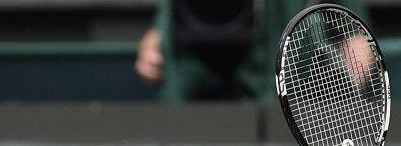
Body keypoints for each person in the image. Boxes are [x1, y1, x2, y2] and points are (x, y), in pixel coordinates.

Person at [135, 0, 370, 100]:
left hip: (286, 96)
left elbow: (356, 38)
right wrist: (154, 42)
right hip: (196, 91)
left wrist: (351, 95)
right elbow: (165, 21)